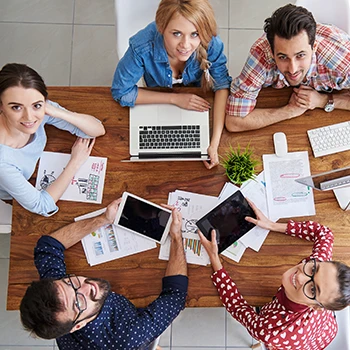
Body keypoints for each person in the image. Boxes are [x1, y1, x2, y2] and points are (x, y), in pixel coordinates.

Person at [20, 198, 188, 350]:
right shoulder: (127, 337)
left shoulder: (58, 297)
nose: (87, 287)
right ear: (77, 326)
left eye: (70, 283)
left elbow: (47, 246)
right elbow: (175, 296)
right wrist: (176, 236)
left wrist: (103, 219)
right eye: (78, 301)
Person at [199, 200, 350, 350]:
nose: (300, 277)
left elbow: (238, 308)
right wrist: (271, 225)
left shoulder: (270, 331)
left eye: (312, 290)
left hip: (300, 342)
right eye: (313, 269)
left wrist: (214, 258)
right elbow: (325, 234)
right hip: (327, 330)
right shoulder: (319, 264)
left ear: (315, 307)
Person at [111, 0, 232, 169]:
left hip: (197, 97)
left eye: (194, 34)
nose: (185, 45)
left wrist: (214, 144)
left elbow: (222, 86)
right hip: (158, 94)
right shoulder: (142, 47)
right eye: (176, 33)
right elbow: (121, 92)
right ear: (161, 27)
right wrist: (175, 99)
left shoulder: (211, 42)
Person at [0, 63, 105, 216]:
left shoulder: (42, 110)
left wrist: (57, 112)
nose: (29, 117)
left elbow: (96, 130)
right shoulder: (3, 162)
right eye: (16, 107)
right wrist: (75, 162)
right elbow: (42, 206)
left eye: (36, 105)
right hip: (11, 194)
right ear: (1, 106)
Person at [225, 4, 350, 132]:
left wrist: (323, 100)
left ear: (314, 47)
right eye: (283, 57)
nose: (293, 69)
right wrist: (290, 110)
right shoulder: (262, 53)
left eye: (300, 55)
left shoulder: (343, 60)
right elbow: (234, 121)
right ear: (272, 52)